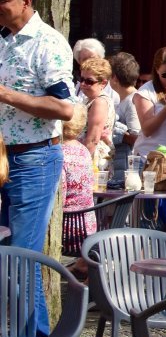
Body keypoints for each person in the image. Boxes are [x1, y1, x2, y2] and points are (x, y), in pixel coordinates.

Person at [0, 0, 74, 337]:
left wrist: (6, 95)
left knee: (19, 258)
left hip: (34, 159)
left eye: (3, 0)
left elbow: (64, 109)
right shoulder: (4, 40)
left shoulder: (48, 43)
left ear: (26, 1)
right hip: (4, 158)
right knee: (12, 254)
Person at [60, 105, 97, 252]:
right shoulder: (84, 150)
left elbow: (59, 200)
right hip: (88, 227)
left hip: (68, 229)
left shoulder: (59, 155)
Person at [77, 56, 116, 158]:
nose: (83, 84)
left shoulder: (100, 102)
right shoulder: (89, 100)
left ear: (103, 83)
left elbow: (93, 140)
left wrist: (82, 162)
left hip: (94, 158)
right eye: (81, 79)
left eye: (89, 81)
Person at [107, 51, 142, 155]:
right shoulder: (122, 98)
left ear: (114, 78)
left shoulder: (133, 102)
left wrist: (113, 131)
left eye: (109, 76)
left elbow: (138, 139)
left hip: (129, 161)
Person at [72, 37, 119, 111]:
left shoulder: (112, 89)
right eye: (84, 60)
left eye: (92, 58)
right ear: (79, 61)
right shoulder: (76, 86)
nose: (89, 62)